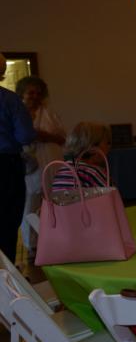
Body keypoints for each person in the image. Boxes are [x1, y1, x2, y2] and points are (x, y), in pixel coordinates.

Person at [15, 76, 65, 255]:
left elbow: (62, 139)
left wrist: (43, 135)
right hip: (31, 168)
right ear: (22, 93)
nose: (34, 96)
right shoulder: (17, 113)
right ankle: (32, 247)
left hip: (52, 163)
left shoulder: (50, 114)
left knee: (55, 202)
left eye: (38, 93)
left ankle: (57, 239)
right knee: (30, 205)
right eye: (30, 93)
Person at [0, 57, 36, 263]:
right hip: (4, 166)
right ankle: (7, 279)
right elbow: (25, 135)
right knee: (6, 222)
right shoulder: (9, 100)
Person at [51, 122, 112, 190]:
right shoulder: (94, 173)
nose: (109, 147)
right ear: (93, 147)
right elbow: (112, 198)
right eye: (107, 143)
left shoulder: (63, 170)